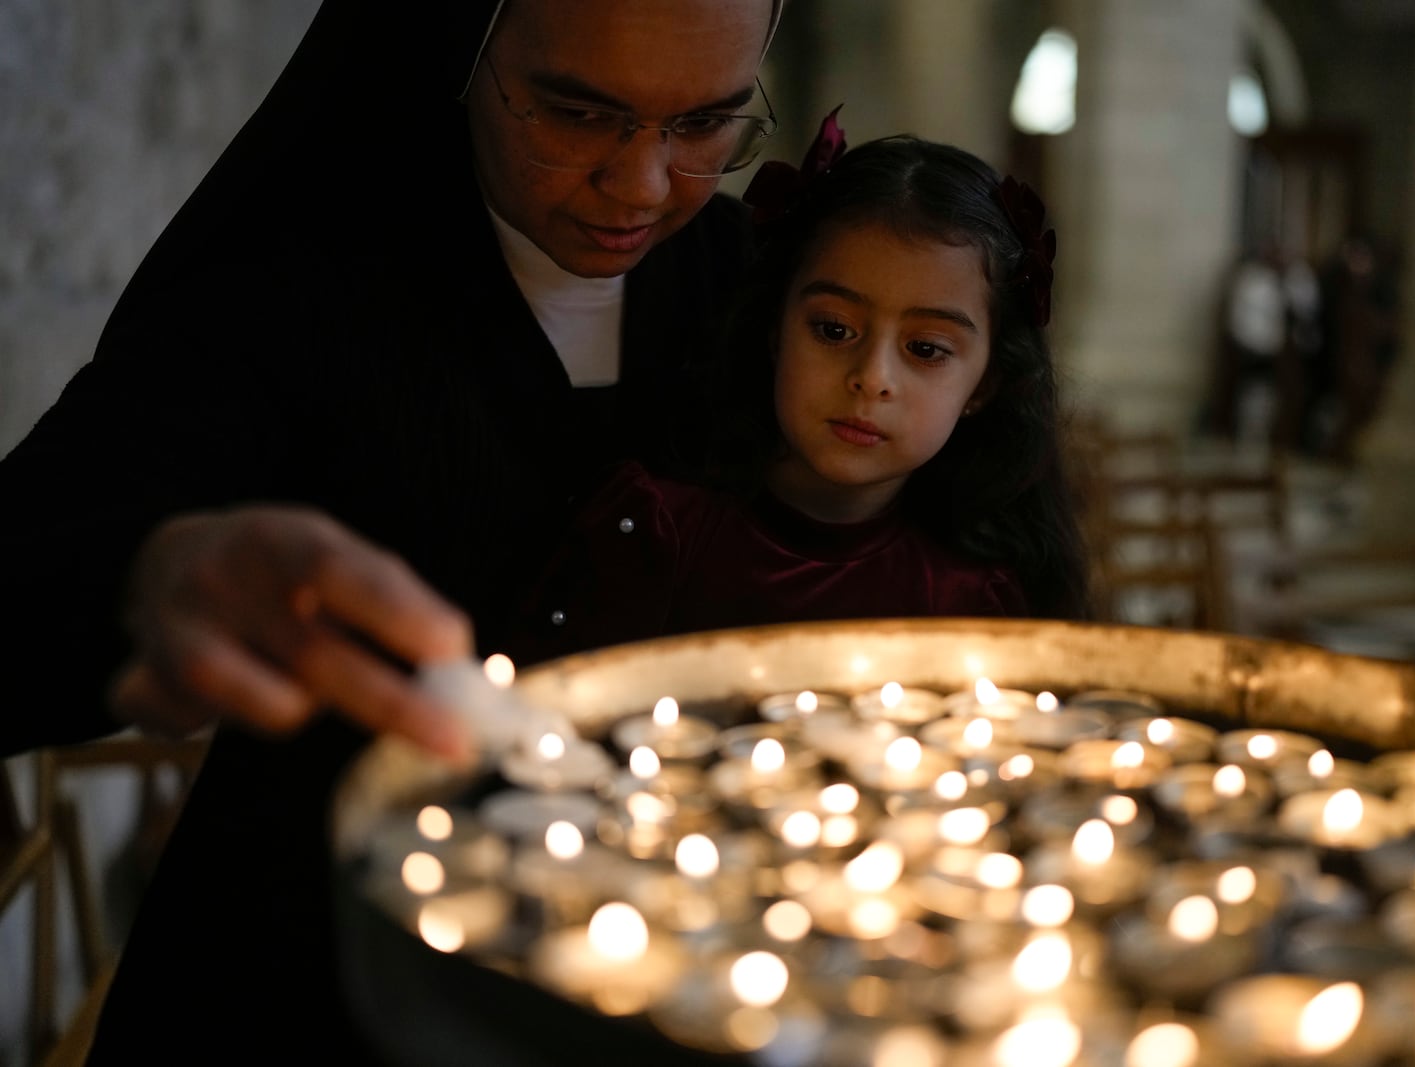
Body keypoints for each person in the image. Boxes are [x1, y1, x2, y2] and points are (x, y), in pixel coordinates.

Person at [0, 0, 783, 1059]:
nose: (642, 185)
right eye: (574, 113)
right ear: (461, 47)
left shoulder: (743, 284)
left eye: (704, 125)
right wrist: (149, 572)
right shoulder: (298, 275)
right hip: (303, 993)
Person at [507, 114, 1086, 664]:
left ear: (983, 386)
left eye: (926, 349)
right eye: (833, 330)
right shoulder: (655, 533)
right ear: (774, 331)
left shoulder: (980, 599)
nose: (873, 378)